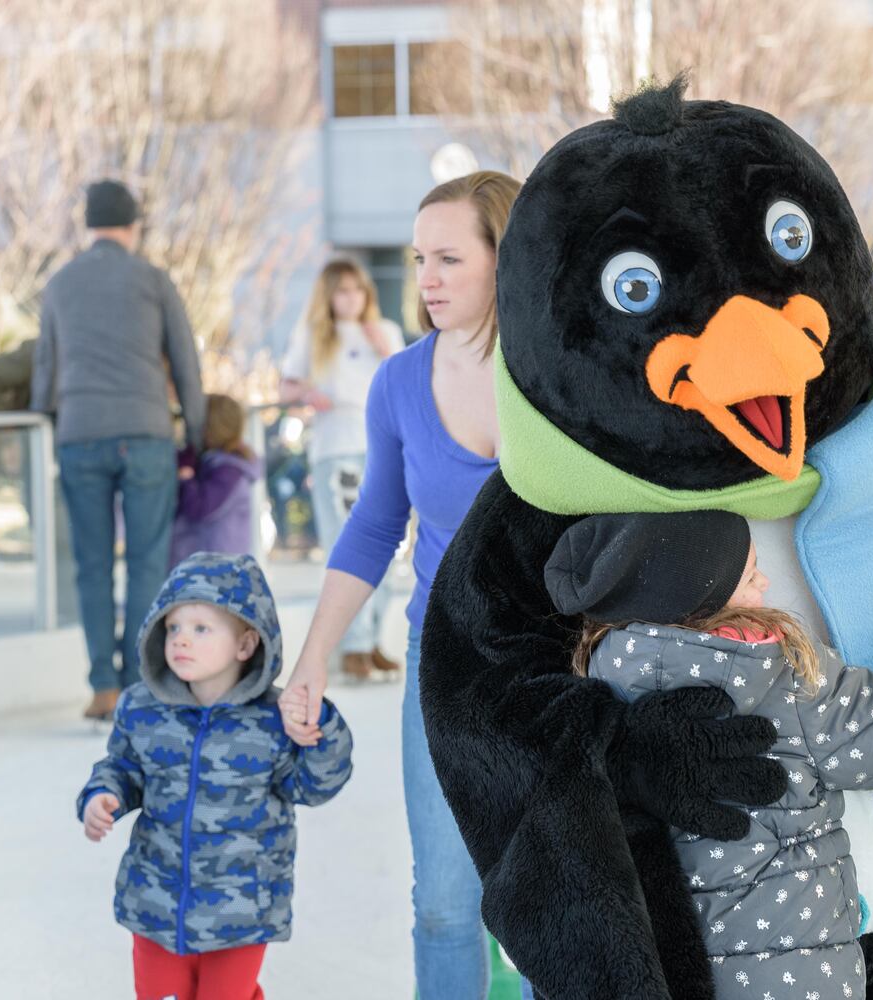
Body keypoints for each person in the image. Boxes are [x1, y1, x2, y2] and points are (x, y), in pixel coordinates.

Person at [542, 510, 873, 999]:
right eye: (749, 575)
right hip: (801, 978)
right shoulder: (777, 678)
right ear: (702, 599)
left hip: (679, 973)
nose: (765, 581)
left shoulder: (603, 684)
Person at [280, 170, 522, 1000]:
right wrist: (313, 657)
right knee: (447, 907)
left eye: (450, 258)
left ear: (506, 258)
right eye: (420, 259)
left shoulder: (559, 376)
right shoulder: (398, 382)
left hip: (560, 662)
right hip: (443, 658)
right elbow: (375, 526)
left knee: (548, 903)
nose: (426, 281)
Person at [77, 551, 353, 1000]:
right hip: (156, 904)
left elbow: (314, 785)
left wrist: (320, 728)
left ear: (245, 644)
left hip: (241, 910)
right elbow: (122, 767)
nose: (181, 640)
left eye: (201, 628)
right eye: (173, 628)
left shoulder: (271, 721)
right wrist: (102, 795)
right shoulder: (142, 708)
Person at [33, 179, 206, 720]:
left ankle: (102, 685)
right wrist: (196, 437)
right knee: (146, 560)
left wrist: (44, 424)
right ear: (133, 226)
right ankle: (138, 683)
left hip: (79, 434)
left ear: (90, 226)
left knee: (90, 564)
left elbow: (45, 370)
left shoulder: (59, 284)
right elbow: (185, 363)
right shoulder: (153, 280)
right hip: (145, 433)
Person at [279, 259, 406, 680]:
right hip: (336, 450)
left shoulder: (385, 331)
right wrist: (310, 394)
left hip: (384, 451)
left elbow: (408, 380)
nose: (350, 297)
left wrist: (381, 346)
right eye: (341, 290)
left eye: (357, 288)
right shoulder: (314, 335)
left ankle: (371, 641)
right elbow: (286, 386)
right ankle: (351, 646)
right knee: (348, 547)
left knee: (389, 549)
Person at [169, 393, 264, 568]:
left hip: (215, 571)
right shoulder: (215, 464)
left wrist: (187, 477)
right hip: (206, 564)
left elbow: (199, 509)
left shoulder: (229, 471)